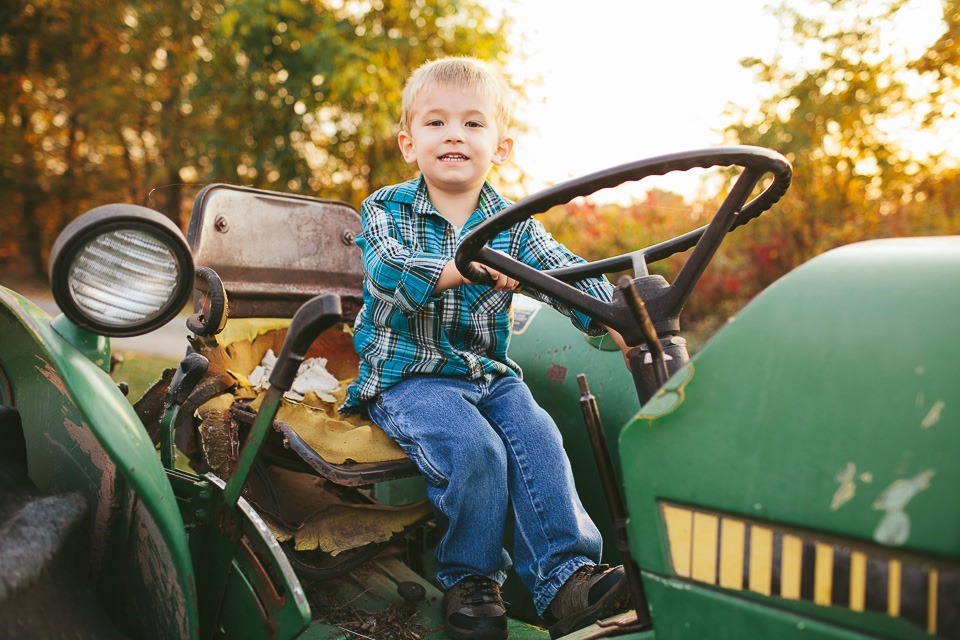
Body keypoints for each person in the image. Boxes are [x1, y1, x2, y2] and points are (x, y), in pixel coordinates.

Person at [340, 56, 631, 640]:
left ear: (500, 146)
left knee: (539, 438)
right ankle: (470, 577)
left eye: (473, 124)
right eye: (436, 123)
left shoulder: (514, 223)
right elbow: (390, 276)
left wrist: (614, 315)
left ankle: (566, 579)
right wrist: (467, 267)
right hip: (407, 377)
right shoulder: (385, 210)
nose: (454, 134)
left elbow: (563, 270)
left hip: (488, 375)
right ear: (408, 142)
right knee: (475, 449)